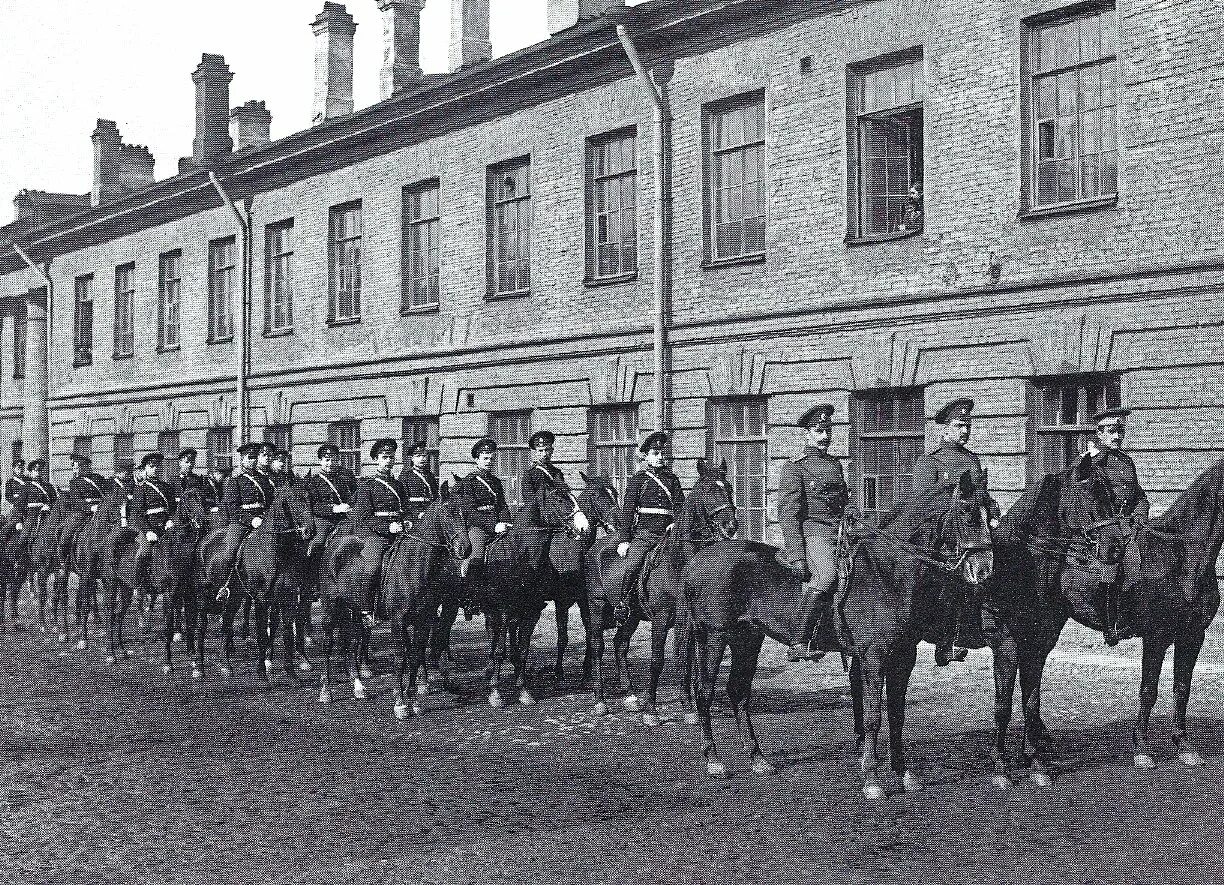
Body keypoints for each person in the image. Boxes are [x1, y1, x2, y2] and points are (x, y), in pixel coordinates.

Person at [911, 398, 1000, 665]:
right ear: (944, 430)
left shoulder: (972, 460)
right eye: (959, 425)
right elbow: (921, 506)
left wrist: (994, 514)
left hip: (971, 529)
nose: (965, 430)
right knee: (948, 578)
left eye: (967, 425)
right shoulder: (931, 462)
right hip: (941, 536)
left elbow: (982, 496)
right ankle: (944, 640)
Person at [777, 404, 850, 662]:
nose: (825, 437)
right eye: (819, 431)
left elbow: (843, 503)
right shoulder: (795, 468)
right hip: (814, 533)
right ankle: (800, 639)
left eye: (828, 430)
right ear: (807, 434)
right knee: (827, 575)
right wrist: (797, 555)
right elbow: (788, 514)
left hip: (841, 532)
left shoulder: (835, 465)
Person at [614, 431, 684, 624]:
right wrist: (624, 540)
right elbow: (627, 512)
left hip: (668, 535)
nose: (660, 456)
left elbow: (680, 507)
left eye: (662, 452)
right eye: (655, 453)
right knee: (634, 563)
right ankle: (624, 603)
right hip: (645, 535)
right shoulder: (638, 480)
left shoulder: (672, 479)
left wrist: (675, 523)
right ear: (646, 456)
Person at [348, 439, 407, 618]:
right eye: (384, 457)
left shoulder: (398, 485)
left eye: (391, 457)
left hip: (400, 531)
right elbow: (364, 517)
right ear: (376, 459)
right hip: (376, 534)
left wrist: (408, 521)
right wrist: (389, 527)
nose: (388, 461)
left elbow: (406, 509)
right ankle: (365, 609)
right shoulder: (367, 485)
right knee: (372, 567)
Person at [519, 430, 588, 569]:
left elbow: (564, 498)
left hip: (558, 522)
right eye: (540, 450)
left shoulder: (557, 473)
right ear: (535, 452)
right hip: (538, 523)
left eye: (547, 450)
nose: (544, 454)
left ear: (552, 450)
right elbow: (530, 504)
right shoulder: (530, 474)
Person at [215, 442, 276, 594]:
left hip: (263, 520)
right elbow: (233, 509)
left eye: (255, 457)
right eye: (250, 457)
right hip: (241, 523)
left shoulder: (264, 480)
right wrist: (251, 520)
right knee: (230, 552)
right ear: (242, 459)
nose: (253, 461)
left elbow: (270, 503)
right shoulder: (235, 480)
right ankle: (225, 586)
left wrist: (266, 518)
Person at [455, 438, 512, 582]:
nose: (489, 461)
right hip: (478, 527)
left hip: (499, 526)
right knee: (476, 559)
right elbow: (470, 512)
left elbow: (502, 506)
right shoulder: (469, 482)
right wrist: (493, 526)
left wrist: (506, 522)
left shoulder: (496, 482)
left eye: (491, 458)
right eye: (485, 458)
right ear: (476, 459)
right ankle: (471, 595)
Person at [129, 453, 177, 581]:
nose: (155, 469)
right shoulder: (141, 488)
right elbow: (137, 514)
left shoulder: (166, 487)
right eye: (151, 466)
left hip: (166, 527)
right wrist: (148, 531)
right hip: (148, 527)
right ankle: (138, 584)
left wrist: (171, 520)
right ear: (145, 468)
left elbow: (173, 509)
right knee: (143, 552)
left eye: (157, 466)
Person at [304, 443, 355, 557]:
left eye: (334, 460)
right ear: (320, 461)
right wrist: (334, 508)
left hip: (343, 519)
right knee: (319, 542)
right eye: (327, 460)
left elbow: (349, 498)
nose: (330, 464)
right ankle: (311, 572)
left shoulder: (341, 480)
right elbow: (314, 506)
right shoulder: (313, 482)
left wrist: (348, 506)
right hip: (323, 520)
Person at [60, 453, 109, 563]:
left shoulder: (98, 478)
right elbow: (76, 501)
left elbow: (107, 492)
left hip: (102, 510)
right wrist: (91, 508)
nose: (75, 470)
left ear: (86, 467)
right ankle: (64, 560)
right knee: (66, 535)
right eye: (74, 467)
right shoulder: (74, 482)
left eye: (77, 467)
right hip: (83, 512)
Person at [13, 458, 56, 547]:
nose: (38, 473)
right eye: (36, 470)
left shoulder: (49, 486)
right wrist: (19, 521)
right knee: (23, 538)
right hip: (33, 516)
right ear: (31, 472)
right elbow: (19, 506)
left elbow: (55, 501)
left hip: (49, 514)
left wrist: (49, 506)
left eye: (40, 470)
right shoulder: (26, 487)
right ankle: (21, 559)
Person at [401, 441, 439, 523]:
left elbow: (436, 497)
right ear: (412, 458)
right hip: (413, 516)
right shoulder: (405, 476)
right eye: (418, 456)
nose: (422, 459)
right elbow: (403, 502)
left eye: (424, 456)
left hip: (432, 513)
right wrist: (417, 513)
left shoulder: (430, 476)